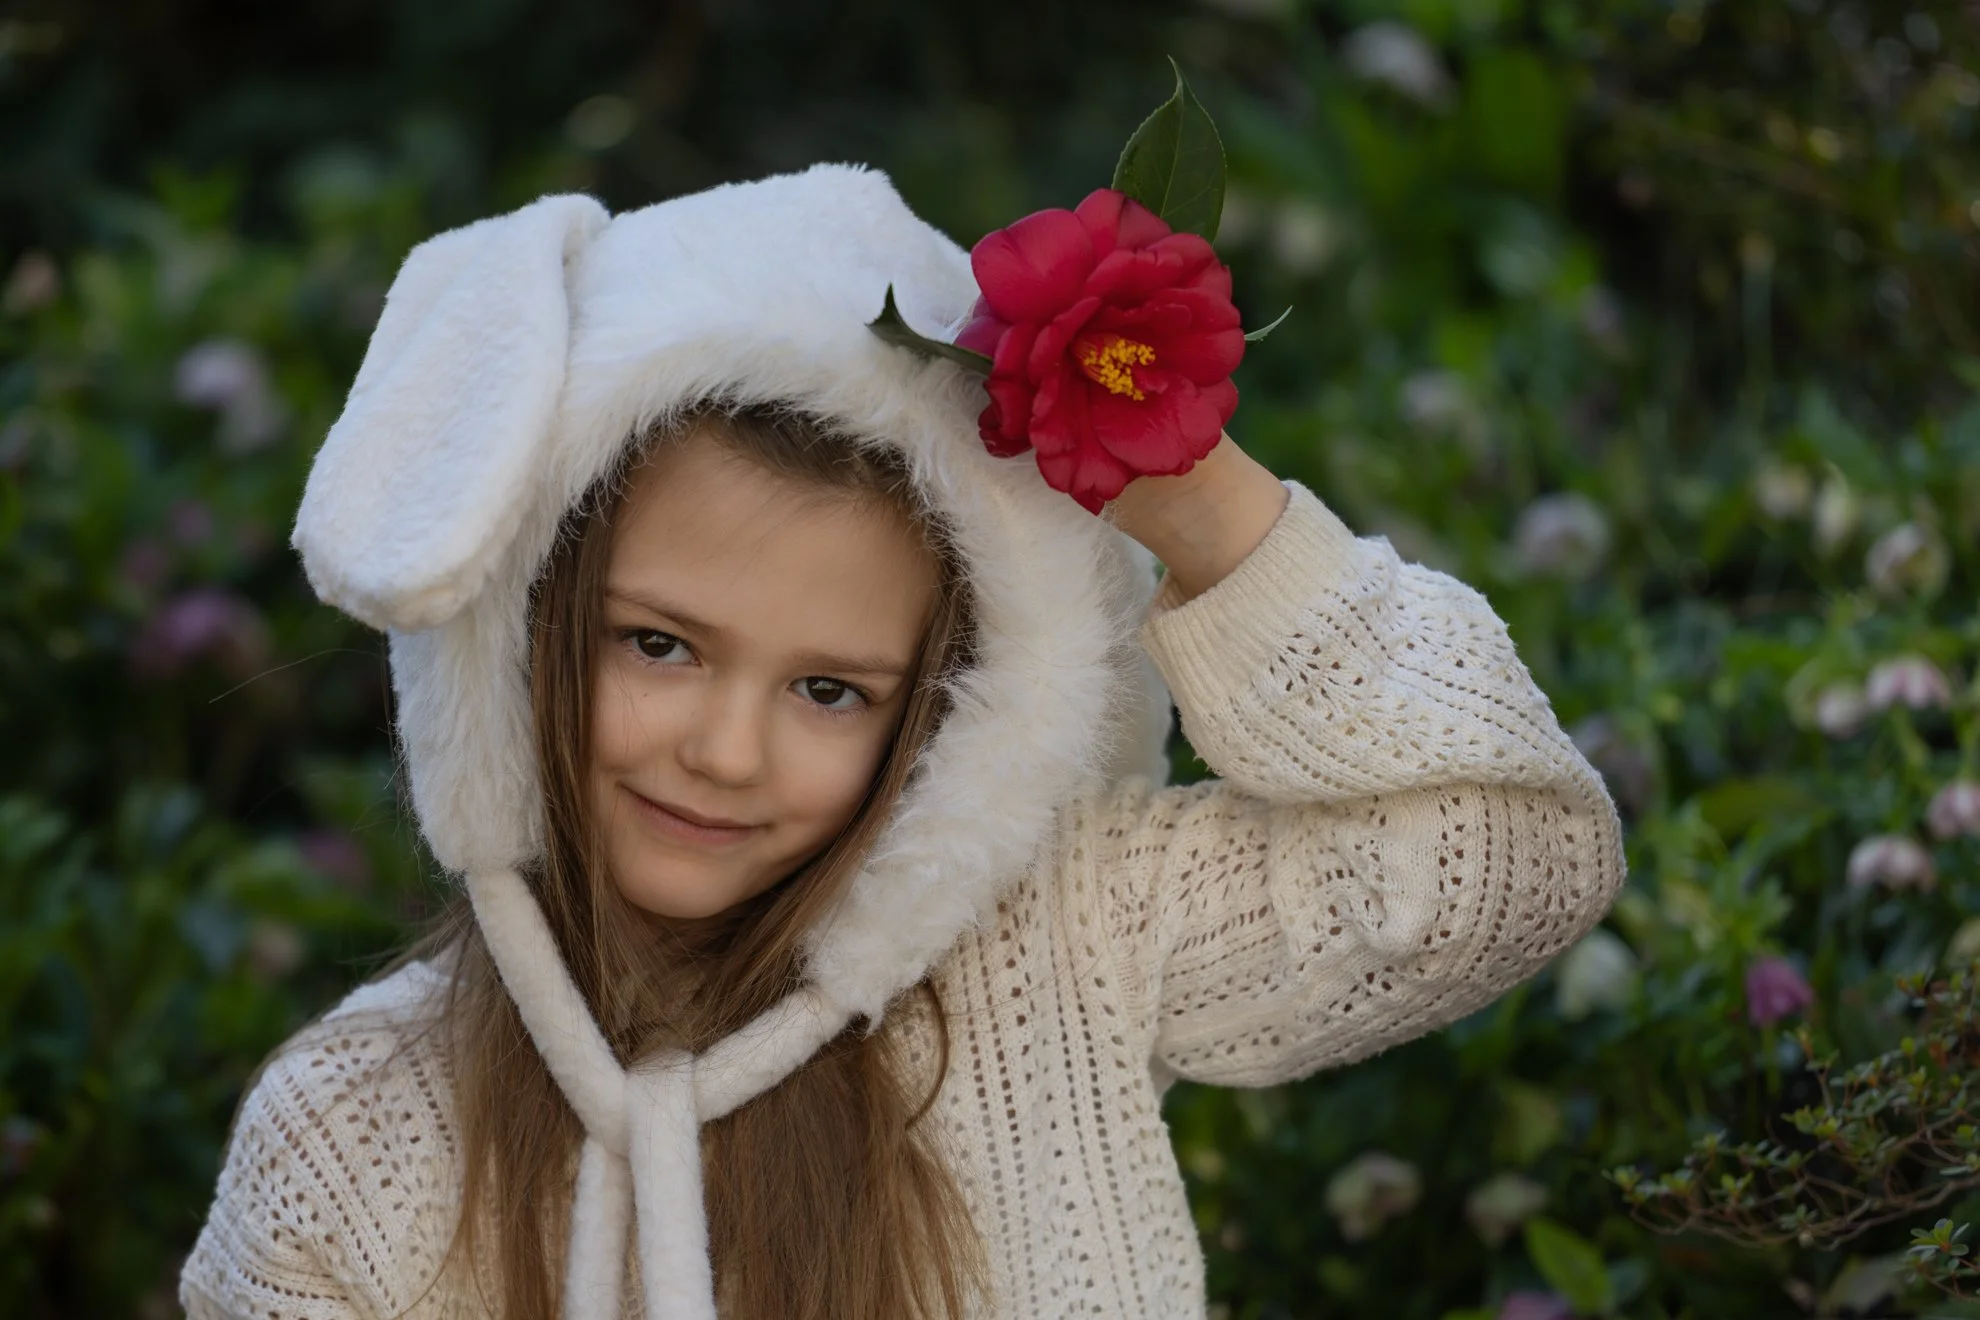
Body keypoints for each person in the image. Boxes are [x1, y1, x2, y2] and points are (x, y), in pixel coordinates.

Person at [180, 164, 1626, 1320]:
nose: (726, 753)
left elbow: (1504, 856)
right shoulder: (352, 1141)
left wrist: (1188, 495)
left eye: (831, 691)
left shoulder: (1061, 937)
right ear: (516, 633)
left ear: (949, 721)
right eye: (659, 645)